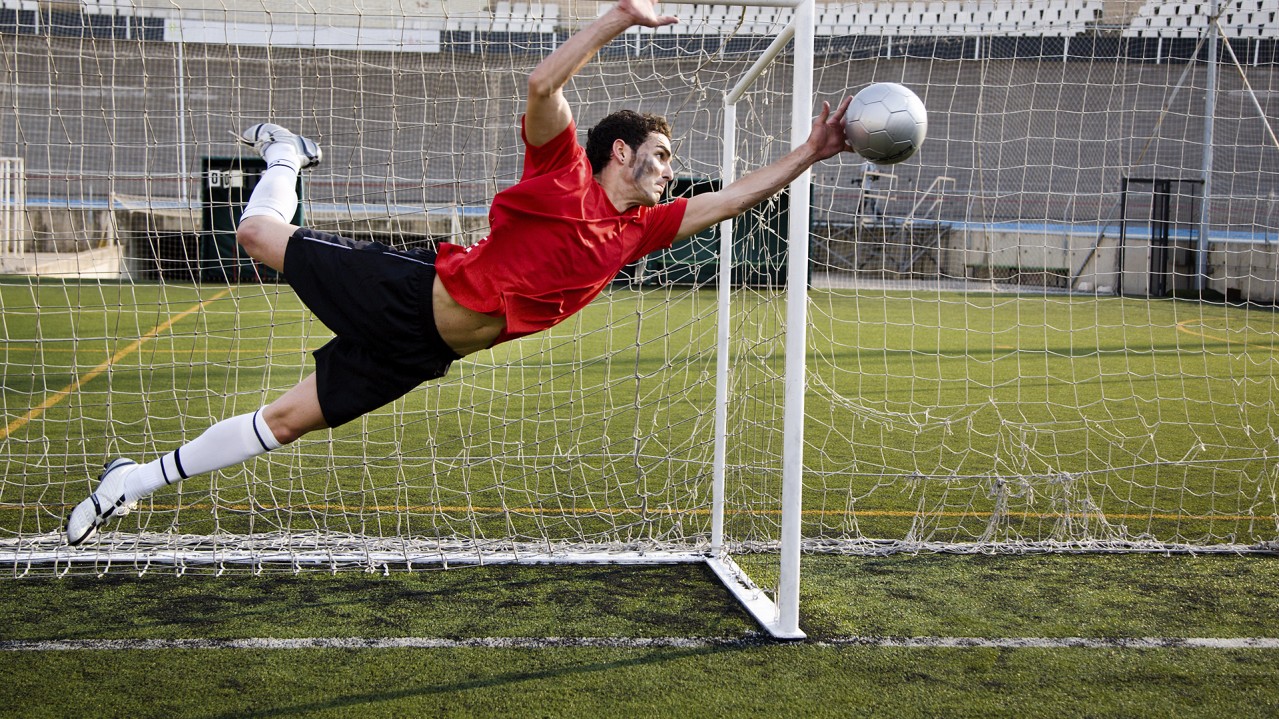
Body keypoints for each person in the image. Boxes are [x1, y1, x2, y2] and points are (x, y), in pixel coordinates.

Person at [65, 0, 855, 546]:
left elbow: (732, 199)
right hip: (408, 290)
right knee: (254, 232)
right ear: (620, 151)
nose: (668, 171)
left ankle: (134, 480)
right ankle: (287, 155)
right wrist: (616, 19)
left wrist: (809, 156)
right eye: (660, 156)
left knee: (287, 421)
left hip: (422, 351)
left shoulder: (638, 232)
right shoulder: (561, 173)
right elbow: (543, 85)